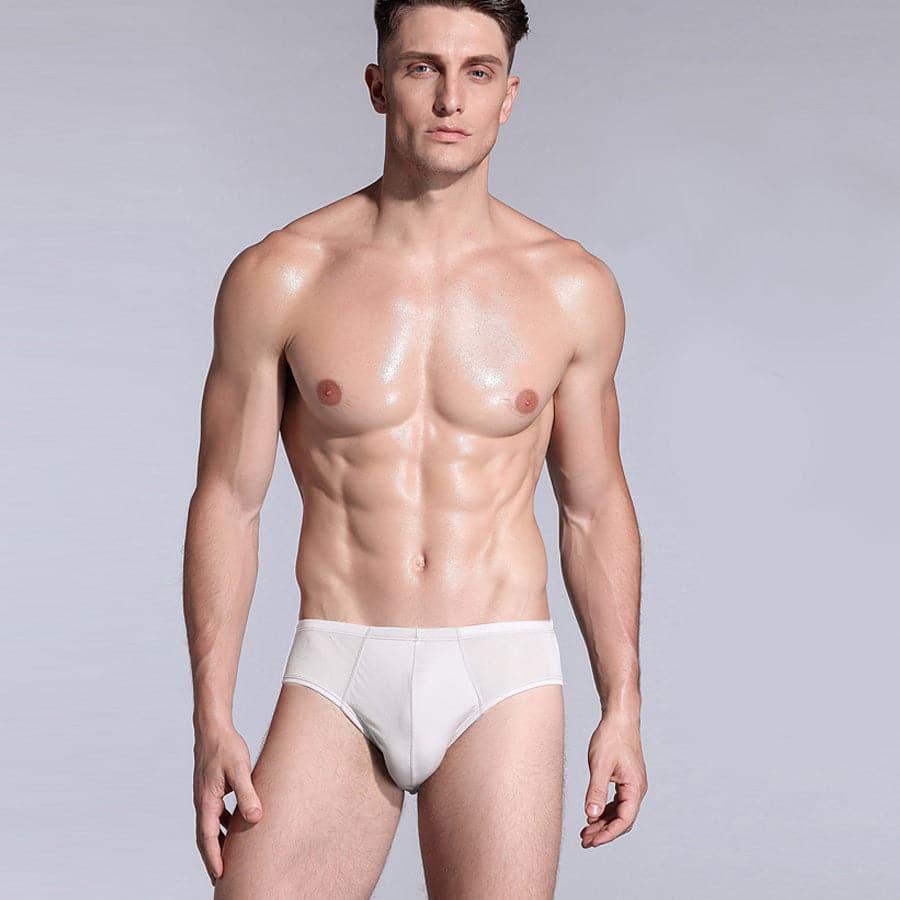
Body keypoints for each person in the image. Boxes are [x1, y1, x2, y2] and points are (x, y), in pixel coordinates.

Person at [182, 1, 647, 896]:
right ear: (377, 84)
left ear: (508, 95)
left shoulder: (572, 287)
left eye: (478, 72)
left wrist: (622, 702)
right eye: (421, 67)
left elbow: (593, 507)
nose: (449, 99)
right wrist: (211, 715)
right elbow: (229, 502)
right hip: (340, 661)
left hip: (502, 672)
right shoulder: (281, 275)